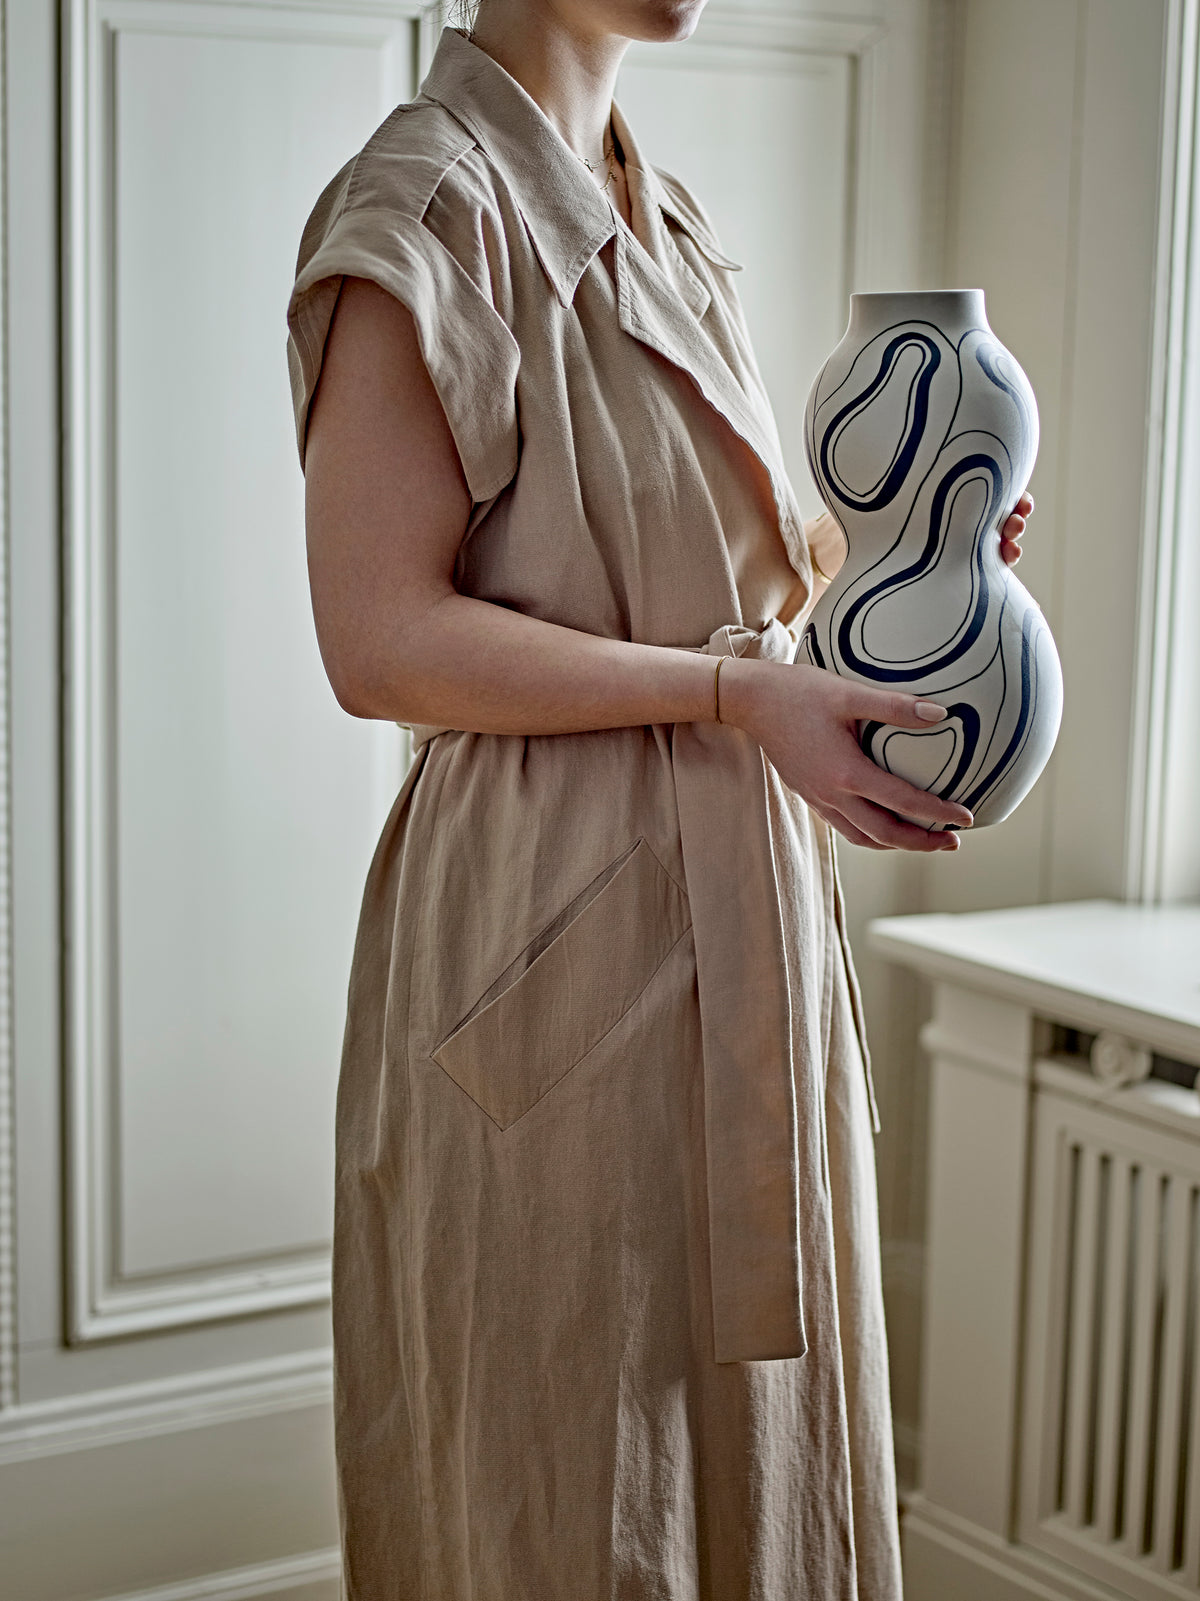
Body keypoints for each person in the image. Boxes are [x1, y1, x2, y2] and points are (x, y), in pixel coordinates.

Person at [286, 0, 1031, 1594]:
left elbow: (745, 591)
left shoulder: (659, 210)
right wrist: (731, 690)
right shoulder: (427, 207)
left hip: (741, 921)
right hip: (553, 939)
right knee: (564, 1484)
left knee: (762, 1477)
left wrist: (918, 550)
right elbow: (377, 633)